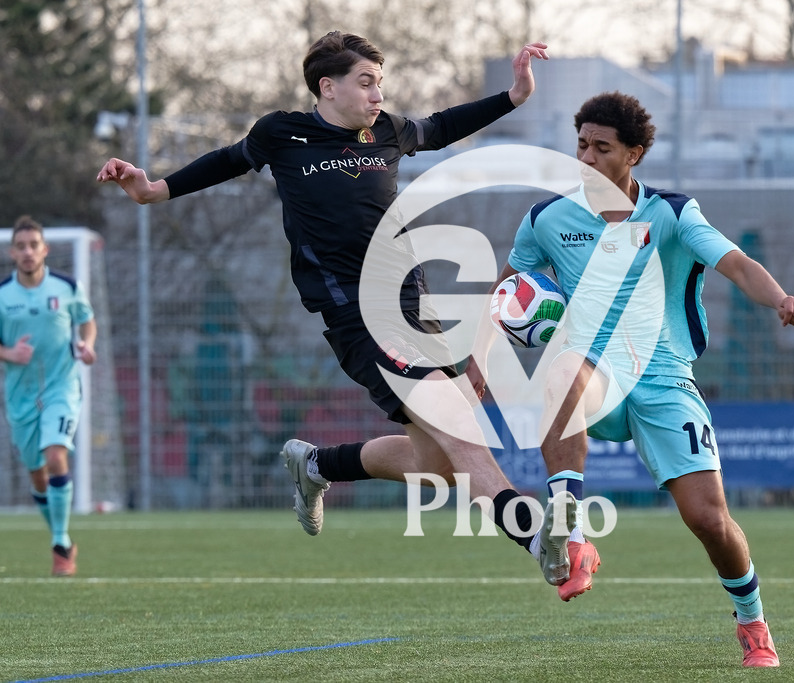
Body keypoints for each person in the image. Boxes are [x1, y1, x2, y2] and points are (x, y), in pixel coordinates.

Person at [97, 31, 587, 599]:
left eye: (381, 82)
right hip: (356, 314)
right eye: (366, 81)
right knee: (461, 430)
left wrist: (513, 96)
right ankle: (535, 538)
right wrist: (152, 188)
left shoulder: (386, 132)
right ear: (327, 88)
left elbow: (440, 125)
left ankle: (318, 465)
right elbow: (225, 162)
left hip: (412, 305)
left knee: (438, 462)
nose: (379, 94)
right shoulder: (280, 133)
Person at [472, 92, 794, 665]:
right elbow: (507, 294)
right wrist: (478, 361)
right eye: (580, 143)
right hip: (593, 372)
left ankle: (752, 622)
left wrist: (781, 299)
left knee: (708, 519)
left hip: (662, 378)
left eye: (601, 147)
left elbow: (737, 265)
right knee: (560, 370)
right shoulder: (547, 219)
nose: (586, 156)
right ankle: (571, 534)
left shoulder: (673, 213)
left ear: (634, 153)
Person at [0, 216, 97, 576]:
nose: (27, 252)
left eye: (33, 245)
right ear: (12, 253)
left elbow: (87, 320)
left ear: (45, 249)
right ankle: (61, 538)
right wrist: (9, 354)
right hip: (21, 396)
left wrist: (87, 343)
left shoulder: (68, 286)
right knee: (37, 473)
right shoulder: (2, 295)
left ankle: (60, 542)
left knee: (55, 453)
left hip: (61, 387)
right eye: (21, 246)